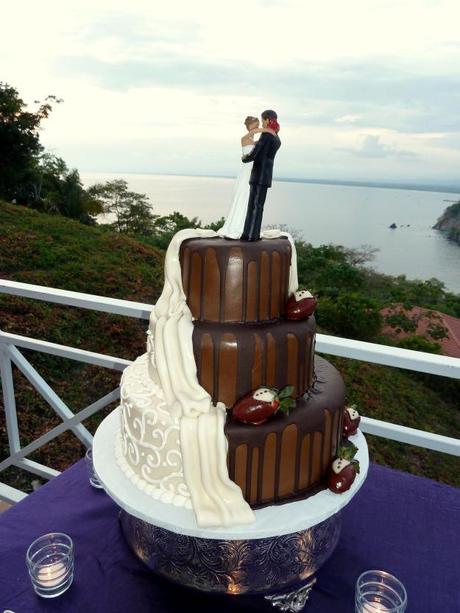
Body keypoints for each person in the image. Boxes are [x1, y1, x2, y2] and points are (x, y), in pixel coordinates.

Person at [217, 116, 277, 239]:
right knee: (243, 197)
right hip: (246, 173)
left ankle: (245, 227)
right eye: (254, 125)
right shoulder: (244, 139)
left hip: (253, 171)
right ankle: (236, 227)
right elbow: (253, 134)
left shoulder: (255, 142)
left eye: (258, 125)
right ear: (249, 127)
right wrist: (267, 130)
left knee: (249, 201)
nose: (256, 128)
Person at [240, 110, 281, 241]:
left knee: (253, 206)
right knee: (259, 207)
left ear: (268, 120)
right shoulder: (276, 138)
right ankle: (252, 234)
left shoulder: (266, 135)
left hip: (258, 174)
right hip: (267, 175)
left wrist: (244, 158)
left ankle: (249, 235)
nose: (262, 123)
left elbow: (255, 154)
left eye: (263, 120)